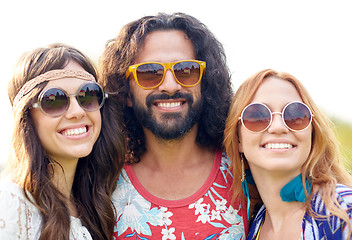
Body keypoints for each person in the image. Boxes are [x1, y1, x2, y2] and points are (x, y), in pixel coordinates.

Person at [99, 12, 248, 239]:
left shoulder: (245, 171)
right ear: (126, 92)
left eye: (186, 71)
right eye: (150, 73)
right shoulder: (100, 180)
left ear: (205, 84)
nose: (170, 86)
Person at [0, 43, 125, 240]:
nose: (77, 112)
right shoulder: (10, 202)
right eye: (54, 100)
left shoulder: (97, 204)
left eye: (87, 95)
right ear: (26, 117)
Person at [224, 69, 352, 239]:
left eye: (295, 114)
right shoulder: (249, 228)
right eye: (257, 116)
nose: (278, 127)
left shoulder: (344, 208)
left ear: (312, 134)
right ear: (238, 139)